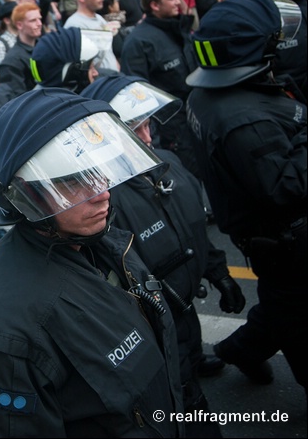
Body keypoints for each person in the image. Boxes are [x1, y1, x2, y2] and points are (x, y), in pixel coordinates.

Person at [0, 87, 183, 436]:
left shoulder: (100, 241)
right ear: (26, 196)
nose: (103, 192)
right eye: (76, 181)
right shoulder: (0, 326)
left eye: (99, 171)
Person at [81, 74, 246, 437]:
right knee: (186, 402)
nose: (146, 136)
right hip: (159, 321)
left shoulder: (166, 162)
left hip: (187, 306)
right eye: (132, 129)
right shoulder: (104, 202)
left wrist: (218, 272)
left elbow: (194, 227)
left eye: (146, 123)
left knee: (191, 354)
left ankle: (197, 361)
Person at [186, 0, 306, 389]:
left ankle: (242, 348)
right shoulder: (243, 118)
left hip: (267, 235)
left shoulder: (214, 94)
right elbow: (286, 187)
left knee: (285, 306)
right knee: (295, 313)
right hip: (286, 242)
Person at [121, 0, 200, 176]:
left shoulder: (180, 28)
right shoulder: (138, 43)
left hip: (197, 120)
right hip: (174, 134)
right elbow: (137, 99)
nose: (178, 2)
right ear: (155, 5)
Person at [64, 0, 121, 71]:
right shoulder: (74, 25)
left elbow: (107, 51)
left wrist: (115, 63)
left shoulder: (99, 18)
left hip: (112, 76)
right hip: (100, 79)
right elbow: (83, 62)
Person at [31, 27, 101, 94]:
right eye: (90, 67)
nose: (96, 73)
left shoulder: (36, 99)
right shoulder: (73, 105)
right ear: (72, 72)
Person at [0, 1, 44, 99]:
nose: (39, 24)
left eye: (39, 19)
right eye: (33, 20)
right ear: (19, 25)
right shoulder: (12, 61)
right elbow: (17, 100)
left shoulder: (45, 47)